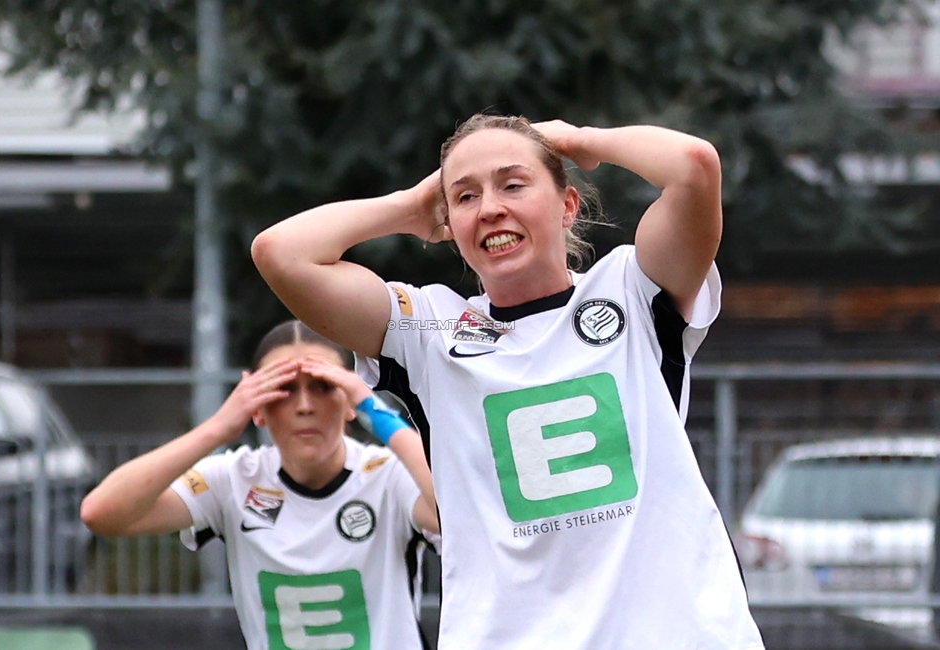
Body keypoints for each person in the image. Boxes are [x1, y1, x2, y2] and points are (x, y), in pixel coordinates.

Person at [251, 114, 764, 649]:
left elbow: (694, 166)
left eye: (513, 184)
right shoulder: (430, 329)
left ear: (568, 206)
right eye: (467, 197)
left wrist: (576, 141)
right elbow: (279, 252)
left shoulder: (632, 290)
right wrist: (412, 206)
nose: (491, 207)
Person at [80, 320, 439, 650]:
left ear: (349, 401)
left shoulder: (389, 475)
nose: (304, 405)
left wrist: (375, 410)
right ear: (257, 407)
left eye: (324, 386)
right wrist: (219, 427)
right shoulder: (232, 479)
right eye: (283, 388)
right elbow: (102, 513)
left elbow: (450, 512)